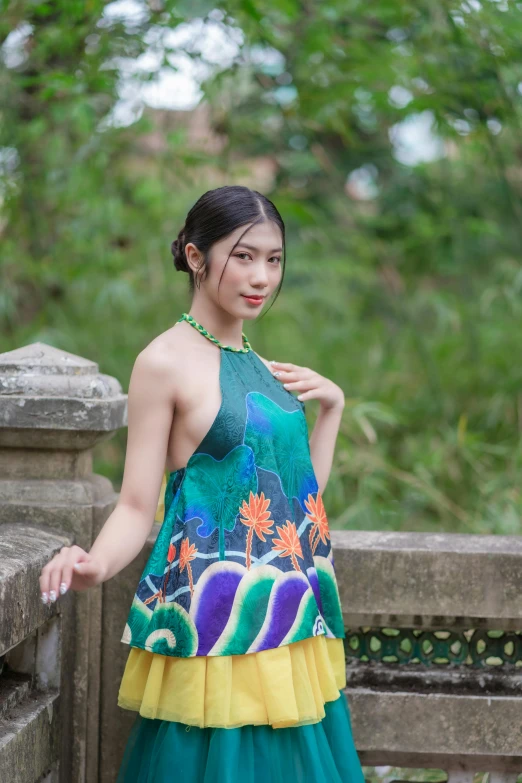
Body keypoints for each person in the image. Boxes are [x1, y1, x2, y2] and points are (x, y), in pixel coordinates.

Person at [38, 185, 365, 783]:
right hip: (218, 625)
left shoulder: (262, 366)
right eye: (243, 256)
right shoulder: (163, 362)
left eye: (273, 259)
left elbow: (299, 500)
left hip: (289, 622)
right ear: (195, 257)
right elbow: (138, 504)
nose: (261, 275)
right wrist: (94, 565)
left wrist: (333, 410)